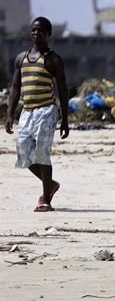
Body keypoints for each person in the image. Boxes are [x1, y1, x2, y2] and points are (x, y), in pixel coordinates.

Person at [5, 17, 70, 212]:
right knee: (23, 152)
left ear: (48, 34)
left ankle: (46, 200)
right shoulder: (21, 58)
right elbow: (15, 89)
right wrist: (9, 114)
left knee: (42, 155)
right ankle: (50, 184)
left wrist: (65, 120)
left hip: (46, 111)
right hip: (27, 111)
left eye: (40, 31)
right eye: (33, 30)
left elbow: (63, 90)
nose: (36, 33)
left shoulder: (53, 60)